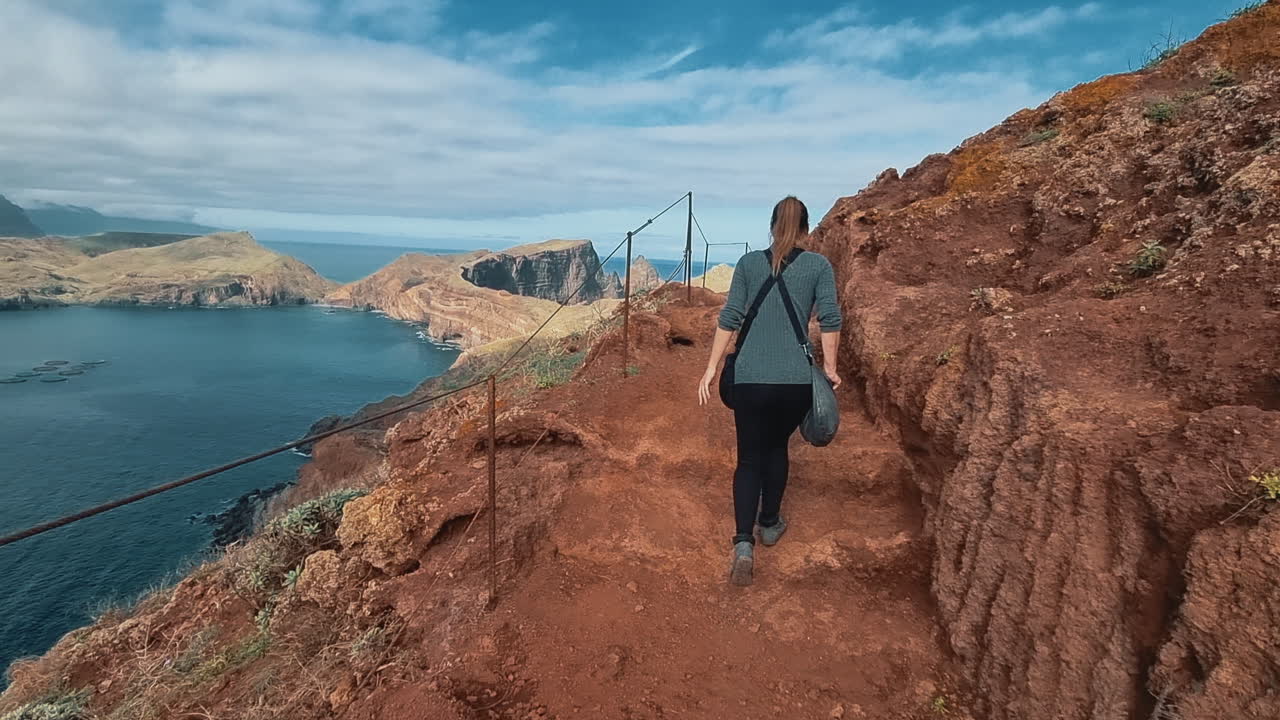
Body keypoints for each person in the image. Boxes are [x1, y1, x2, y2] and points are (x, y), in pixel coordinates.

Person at [697, 196, 842, 586]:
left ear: (772, 227)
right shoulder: (818, 266)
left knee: (748, 460)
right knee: (777, 448)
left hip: (748, 377)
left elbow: (730, 318)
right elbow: (830, 319)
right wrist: (829, 368)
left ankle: (743, 543)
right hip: (793, 380)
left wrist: (711, 368)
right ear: (806, 230)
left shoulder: (747, 264)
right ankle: (771, 522)